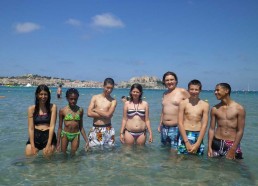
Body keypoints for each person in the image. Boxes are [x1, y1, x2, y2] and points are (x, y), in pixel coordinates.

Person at [208, 83, 245, 159]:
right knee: (214, 168)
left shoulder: (239, 109)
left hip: (232, 143)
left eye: (217, 90)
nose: (215, 92)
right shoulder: (215, 109)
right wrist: (209, 146)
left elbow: (240, 131)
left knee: (236, 167)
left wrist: (233, 148)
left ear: (226, 91)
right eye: (215, 90)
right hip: (216, 142)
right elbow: (211, 129)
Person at [158, 71, 190, 151]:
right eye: (167, 80)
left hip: (176, 127)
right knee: (165, 150)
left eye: (172, 79)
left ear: (176, 81)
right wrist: (160, 123)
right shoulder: (164, 93)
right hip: (164, 128)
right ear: (164, 82)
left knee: (175, 152)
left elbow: (192, 106)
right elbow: (164, 110)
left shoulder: (182, 91)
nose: (169, 82)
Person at [177, 80, 209, 155]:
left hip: (198, 134)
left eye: (196, 89)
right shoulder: (183, 103)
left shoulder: (205, 105)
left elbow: (204, 125)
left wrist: (198, 143)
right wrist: (186, 142)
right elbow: (180, 123)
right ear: (188, 90)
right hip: (185, 133)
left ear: (200, 90)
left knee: (197, 161)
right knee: (182, 159)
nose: (194, 91)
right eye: (191, 89)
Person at [25, 84, 57, 157]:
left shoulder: (53, 107)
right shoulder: (31, 109)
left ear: (48, 95)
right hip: (36, 136)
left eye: (45, 94)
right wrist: (32, 145)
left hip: (48, 136)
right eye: (41, 94)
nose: (43, 97)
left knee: (48, 157)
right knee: (29, 154)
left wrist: (48, 144)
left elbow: (52, 126)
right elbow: (31, 128)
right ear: (37, 95)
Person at [57, 88, 89, 156]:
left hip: (76, 135)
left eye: (75, 99)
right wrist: (58, 143)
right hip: (65, 134)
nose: (73, 101)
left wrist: (86, 140)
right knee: (63, 154)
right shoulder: (62, 110)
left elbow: (81, 127)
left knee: (73, 154)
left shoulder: (80, 110)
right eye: (71, 99)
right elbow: (60, 128)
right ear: (67, 98)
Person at [87, 78, 117, 147]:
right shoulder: (95, 98)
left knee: (109, 152)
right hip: (96, 128)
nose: (109, 90)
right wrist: (105, 114)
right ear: (103, 86)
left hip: (108, 129)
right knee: (93, 152)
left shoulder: (113, 101)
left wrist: (96, 109)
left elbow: (108, 115)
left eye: (111, 88)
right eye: (107, 88)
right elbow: (89, 113)